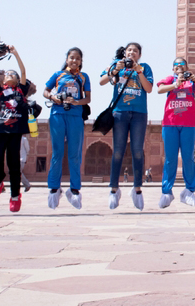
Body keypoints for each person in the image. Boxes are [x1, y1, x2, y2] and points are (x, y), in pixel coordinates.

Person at [100, 43, 153, 210]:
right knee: (118, 151)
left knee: (138, 151)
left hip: (139, 113)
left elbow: (149, 88)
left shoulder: (144, 68)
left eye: (135, 51)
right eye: (129, 50)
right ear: (125, 53)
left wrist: (138, 70)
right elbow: (102, 81)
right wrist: (115, 70)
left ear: (139, 55)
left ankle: (137, 189)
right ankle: (114, 189)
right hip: (120, 113)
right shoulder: (117, 65)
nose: (132, 53)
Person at [157, 58, 195, 208]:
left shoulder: (192, 81)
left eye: (182, 65)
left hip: (188, 124)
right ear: (173, 69)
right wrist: (175, 84)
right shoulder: (169, 79)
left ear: (186, 67)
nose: (179, 67)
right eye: (176, 65)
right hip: (170, 123)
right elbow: (159, 90)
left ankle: (189, 191)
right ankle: (167, 192)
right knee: (170, 158)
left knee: (188, 158)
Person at [44, 47, 91, 210]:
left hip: (76, 116)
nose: (74, 61)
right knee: (57, 152)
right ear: (67, 59)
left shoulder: (84, 77)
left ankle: (75, 189)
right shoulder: (58, 75)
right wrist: (53, 97)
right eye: (72, 58)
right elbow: (45, 91)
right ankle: (54, 189)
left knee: (74, 154)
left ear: (81, 61)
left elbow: (88, 98)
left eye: (78, 59)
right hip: (57, 114)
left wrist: (76, 102)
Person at [0, 45, 30, 213]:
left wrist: (15, 53)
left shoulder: (21, 90)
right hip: (0, 130)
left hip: (16, 131)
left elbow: (23, 71)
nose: (9, 75)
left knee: (14, 165)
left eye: (12, 74)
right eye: (6, 74)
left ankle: (14, 196)